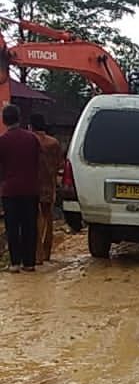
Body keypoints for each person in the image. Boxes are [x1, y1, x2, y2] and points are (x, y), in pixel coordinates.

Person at [0, 104, 40, 273]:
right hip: (31, 189)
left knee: (12, 227)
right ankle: (29, 262)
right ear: (19, 118)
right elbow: (37, 162)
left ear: (4, 120)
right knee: (30, 226)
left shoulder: (2, 141)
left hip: (10, 190)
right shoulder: (32, 139)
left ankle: (15, 263)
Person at [29, 112, 63, 265]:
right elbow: (60, 165)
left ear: (30, 126)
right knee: (48, 218)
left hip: (32, 185)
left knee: (34, 219)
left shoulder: (30, 141)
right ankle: (47, 253)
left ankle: (37, 255)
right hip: (49, 185)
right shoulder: (54, 143)